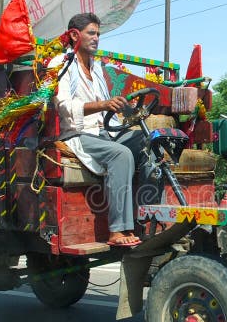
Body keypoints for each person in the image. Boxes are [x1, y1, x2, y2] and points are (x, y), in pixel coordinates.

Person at [54, 13, 154, 247]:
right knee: (121, 154)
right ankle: (118, 230)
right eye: (91, 33)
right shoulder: (61, 65)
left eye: (98, 34)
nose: (97, 38)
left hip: (104, 132)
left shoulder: (97, 68)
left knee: (150, 141)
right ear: (74, 35)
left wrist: (124, 110)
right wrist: (103, 105)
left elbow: (107, 109)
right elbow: (64, 107)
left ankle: (148, 217)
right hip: (78, 134)